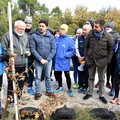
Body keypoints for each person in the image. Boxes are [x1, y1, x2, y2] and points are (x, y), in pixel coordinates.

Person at [83, 19, 114, 104]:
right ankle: (89, 93)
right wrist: (86, 57)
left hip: (102, 61)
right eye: (94, 26)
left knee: (101, 79)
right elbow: (86, 46)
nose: (94, 28)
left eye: (96, 27)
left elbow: (111, 50)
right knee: (91, 77)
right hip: (91, 60)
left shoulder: (108, 36)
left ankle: (101, 95)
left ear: (101, 27)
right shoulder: (90, 34)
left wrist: (108, 61)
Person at [2, 20, 30, 102]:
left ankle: (18, 98)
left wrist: (28, 51)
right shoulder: (8, 36)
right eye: (20, 28)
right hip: (12, 64)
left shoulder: (25, 36)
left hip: (23, 63)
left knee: (21, 82)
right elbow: (4, 49)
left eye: (23, 29)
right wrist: (10, 54)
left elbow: (27, 46)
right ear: (15, 27)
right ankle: (10, 101)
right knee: (11, 83)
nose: (22, 30)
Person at [29, 19, 56, 100]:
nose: (40, 27)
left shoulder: (51, 36)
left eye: (42, 26)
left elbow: (54, 49)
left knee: (48, 76)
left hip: (48, 61)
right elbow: (33, 49)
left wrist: (48, 59)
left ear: (46, 27)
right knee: (37, 77)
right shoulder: (33, 36)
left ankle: (48, 91)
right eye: (39, 26)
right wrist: (40, 59)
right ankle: (37, 92)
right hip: (38, 61)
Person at [53, 24, 75, 97]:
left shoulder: (69, 40)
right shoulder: (56, 39)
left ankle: (69, 89)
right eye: (60, 29)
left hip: (65, 61)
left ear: (66, 31)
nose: (61, 31)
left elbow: (73, 51)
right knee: (58, 75)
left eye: (63, 29)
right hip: (57, 61)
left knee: (67, 76)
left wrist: (66, 55)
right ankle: (60, 87)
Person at [105, 21, 120, 96]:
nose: (107, 28)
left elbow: (117, 47)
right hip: (104, 57)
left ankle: (113, 88)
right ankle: (105, 85)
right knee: (105, 73)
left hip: (113, 58)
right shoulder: (103, 34)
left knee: (112, 74)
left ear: (111, 27)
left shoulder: (116, 35)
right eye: (106, 26)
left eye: (108, 27)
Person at [77, 24, 92, 94]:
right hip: (80, 59)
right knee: (80, 73)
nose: (83, 31)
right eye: (83, 29)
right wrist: (79, 57)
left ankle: (86, 87)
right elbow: (76, 47)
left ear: (89, 30)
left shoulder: (92, 39)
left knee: (87, 74)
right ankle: (80, 86)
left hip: (88, 60)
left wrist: (84, 57)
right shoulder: (79, 38)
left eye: (85, 30)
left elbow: (91, 50)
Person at [24, 16, 35, 95]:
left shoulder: (34, 33)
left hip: (31, 56)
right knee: (22, 71)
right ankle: (22, 86)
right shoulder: (21, 32)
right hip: (22, 56)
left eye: (29, 23)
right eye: (26, 23)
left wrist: (31, 52)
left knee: (30, 71)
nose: (28, 24)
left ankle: (30, 87)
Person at [111, 40, 120, 104]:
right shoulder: (119, 42)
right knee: (116, 82)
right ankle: (116, 96)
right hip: (118, 66)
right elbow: (114, 50)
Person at [0, 43, 9, 108]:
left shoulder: (0, 45)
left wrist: (7, 56)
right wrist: (2, 58)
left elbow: (5, 54)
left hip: (0, 71)